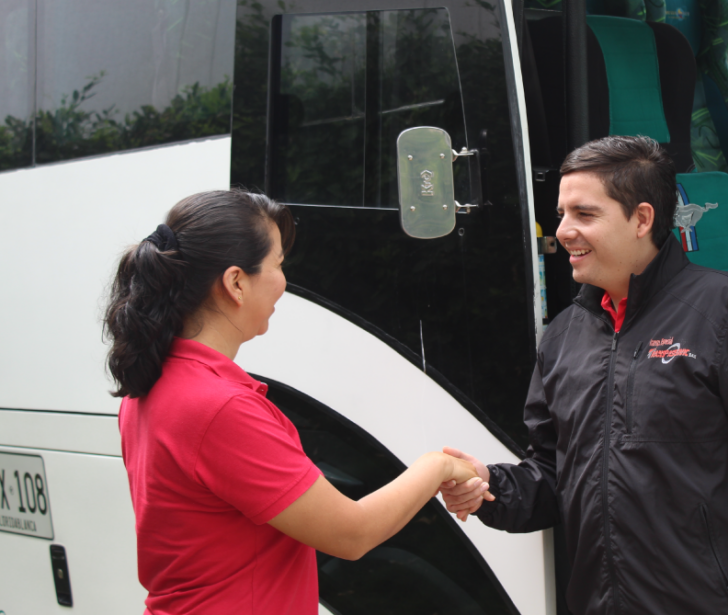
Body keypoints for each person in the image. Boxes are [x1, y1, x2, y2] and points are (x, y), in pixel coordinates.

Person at [441, 136, 728, 614]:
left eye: (584, 214)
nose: (563, 231)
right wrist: (489, 487)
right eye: (562, 214)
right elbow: (554, 476)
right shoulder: (563, 335)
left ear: (642, 219)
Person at [106, 189, 481, 614]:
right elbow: (351, 534)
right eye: (278, 264)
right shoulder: (219, 406)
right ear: (235, 283)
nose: (283, 283)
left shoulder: (155, 381)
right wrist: (437, 466)